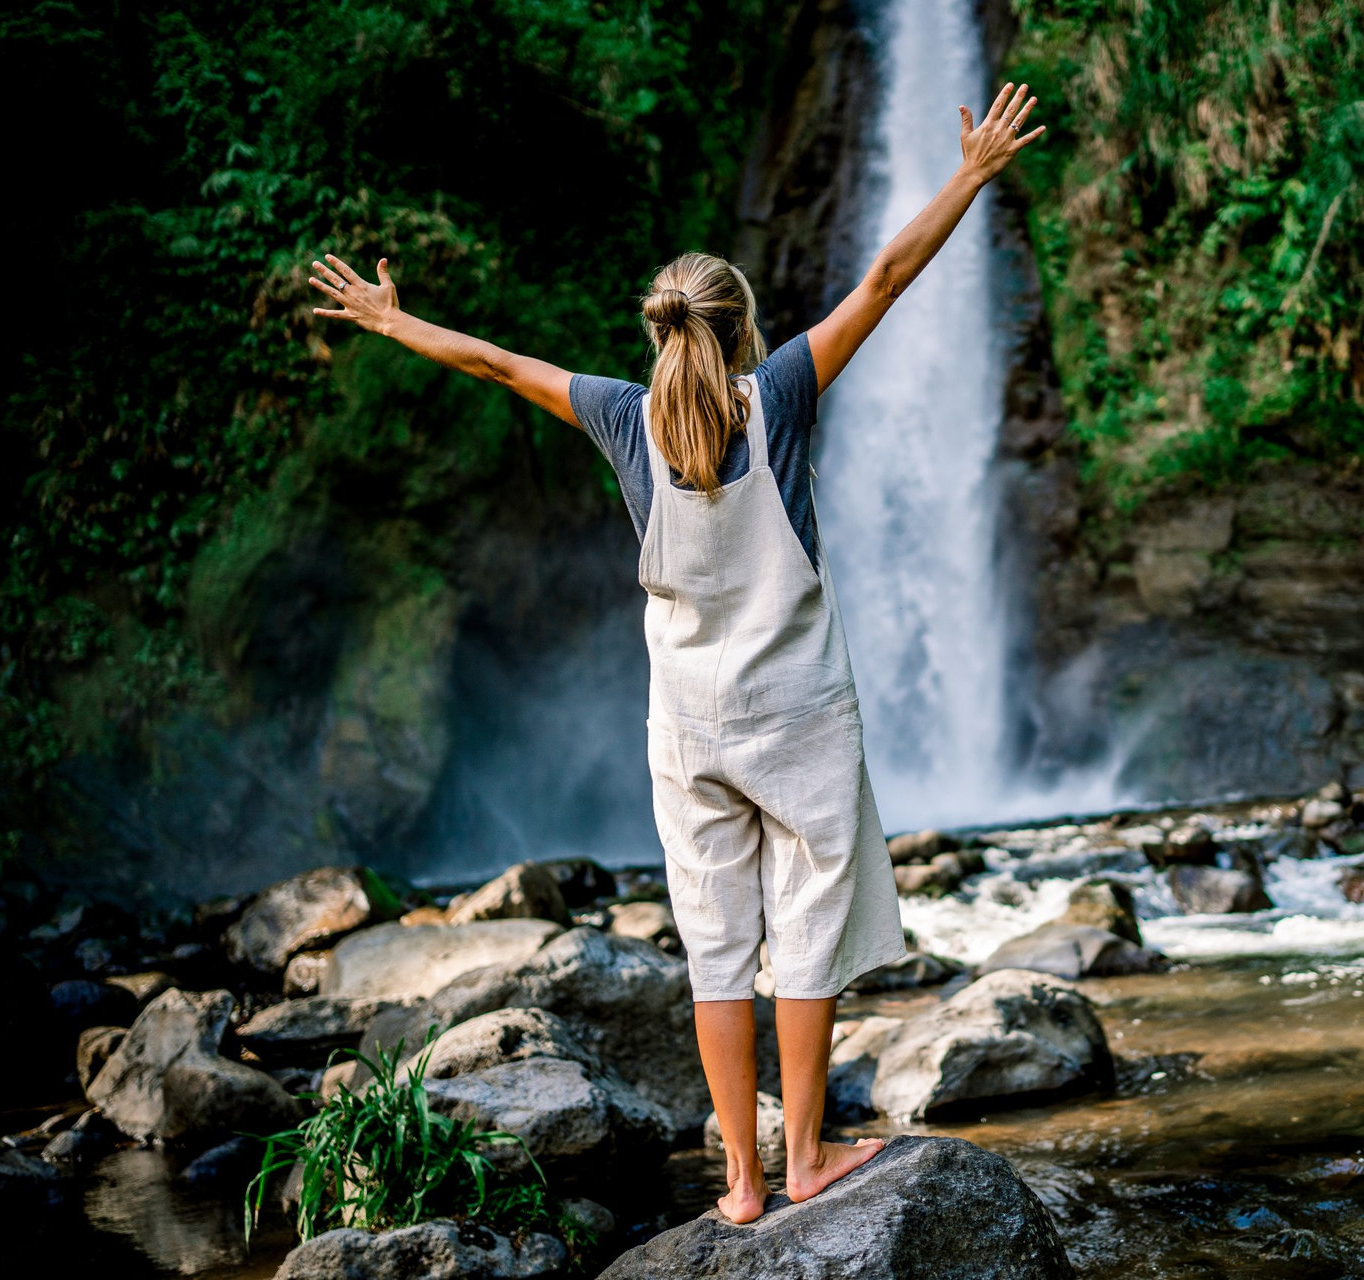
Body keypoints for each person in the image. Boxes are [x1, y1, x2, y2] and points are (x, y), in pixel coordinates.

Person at [309, 82, 1045, 1223]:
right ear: (744, 329)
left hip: (688, 723)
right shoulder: (783, 394)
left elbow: (502, 365)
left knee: (715, 941)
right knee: (805, 925)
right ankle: (802, 1158)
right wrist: (970, 174)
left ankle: (741, 1184)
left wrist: (395, 320)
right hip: (798, 710)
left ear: (661, 331)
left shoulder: (621, 417)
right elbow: (885, 280)